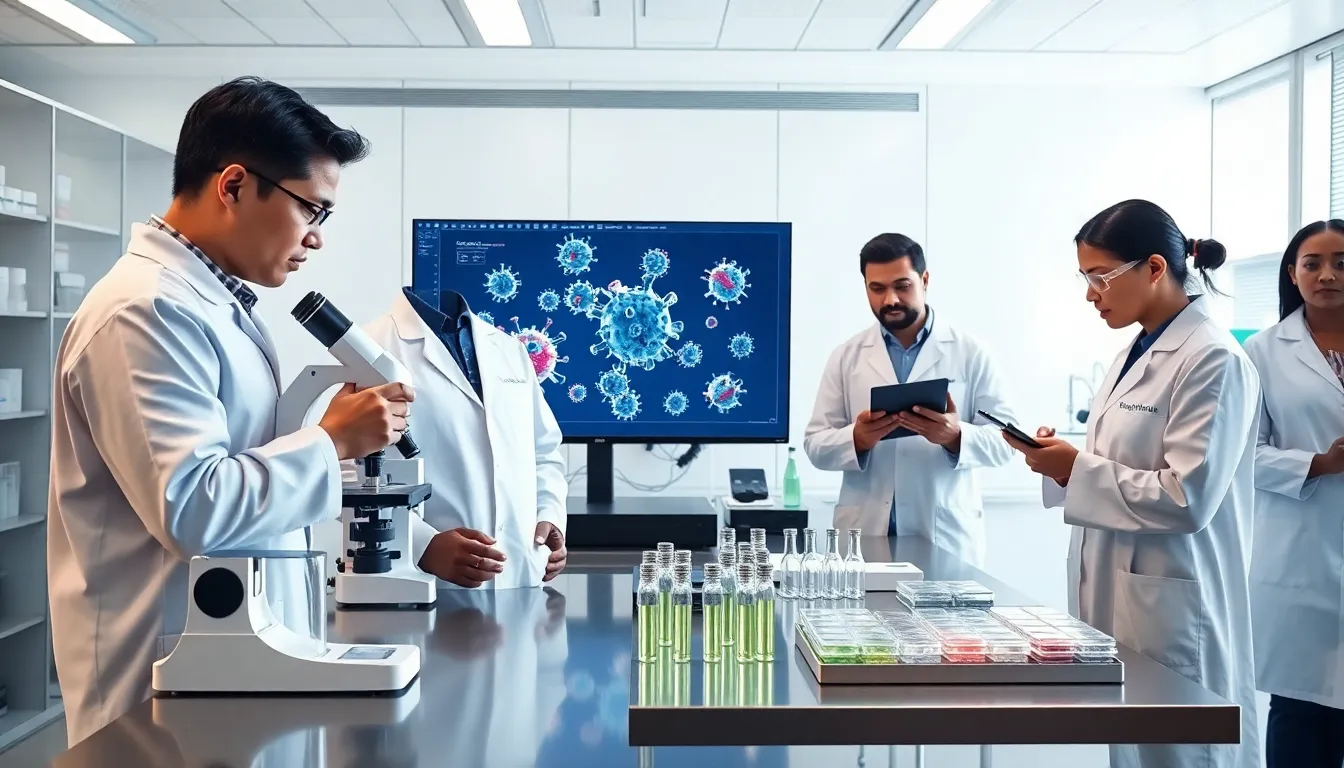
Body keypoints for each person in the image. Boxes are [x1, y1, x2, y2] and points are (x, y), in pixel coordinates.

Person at [47, 76, 413, 746]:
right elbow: (195, 507)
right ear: (236, 185)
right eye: (313, 210)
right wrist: (331, 444)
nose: (318, 238)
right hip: (158, 685)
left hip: (230, 666)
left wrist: (324, 431)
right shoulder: (145, 311)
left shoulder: (211, 305)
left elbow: (238, 467)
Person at [1005, 199, 1260, 767]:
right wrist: (1060, 459)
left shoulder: (1213, 358)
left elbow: (1186, 497)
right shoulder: (1133, 351)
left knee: (1185, 755)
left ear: (1153, 268)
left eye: (1100, 277)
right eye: (1085, 278)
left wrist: (1075, 468)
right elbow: (1119, 463)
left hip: (1175, 611)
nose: (1090, 294)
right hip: (1129, 605)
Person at [803, 233, 1020, 566]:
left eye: (902, 286)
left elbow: (1009, 440)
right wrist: (857, 439)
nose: (890, 299)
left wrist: (955, 436)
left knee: (944, 619)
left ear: (925, 280)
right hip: (865, 537)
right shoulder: (846, 356)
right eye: (877, 289)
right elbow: (815, 444)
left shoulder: (971, 352)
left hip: (943, 535)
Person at [361, 287, 568, 589]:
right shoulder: (372, 346)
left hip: (523, 582)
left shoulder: (509, 349)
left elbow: (543, 451)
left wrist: (549, 515)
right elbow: (341, 472)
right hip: (426, 587)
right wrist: (424, 545)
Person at [1242, 219, 1344, 767]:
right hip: (1299, 553)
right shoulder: (1261, 353)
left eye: (1342, 263)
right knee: (1300, 713)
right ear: (1293, 272)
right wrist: (1319, 464)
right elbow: (1241, 456)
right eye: (1313, 263)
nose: (1328, 274)